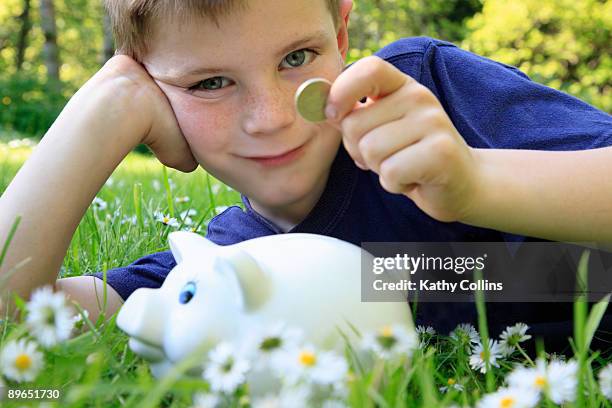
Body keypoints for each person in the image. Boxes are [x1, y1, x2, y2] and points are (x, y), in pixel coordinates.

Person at [0, 0, 611, 353]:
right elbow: (17, 316)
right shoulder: (226, 264)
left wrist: (477, 182)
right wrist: (100, 111)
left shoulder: (423, 93)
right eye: (208, 83)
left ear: (341, 33)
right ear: (155, 94)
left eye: (297, 57)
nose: (269, 120)